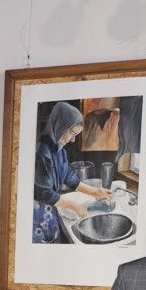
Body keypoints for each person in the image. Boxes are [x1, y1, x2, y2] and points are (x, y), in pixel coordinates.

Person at [33, 101, 111, 243]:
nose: (73, 140)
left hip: (50, 212)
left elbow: (70, 177)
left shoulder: (59, 150)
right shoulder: (41, 152)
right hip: (36, 215)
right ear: (60, 126)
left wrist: (95, 191)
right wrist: (76, 206)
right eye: (72, 133)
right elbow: (45, 193)